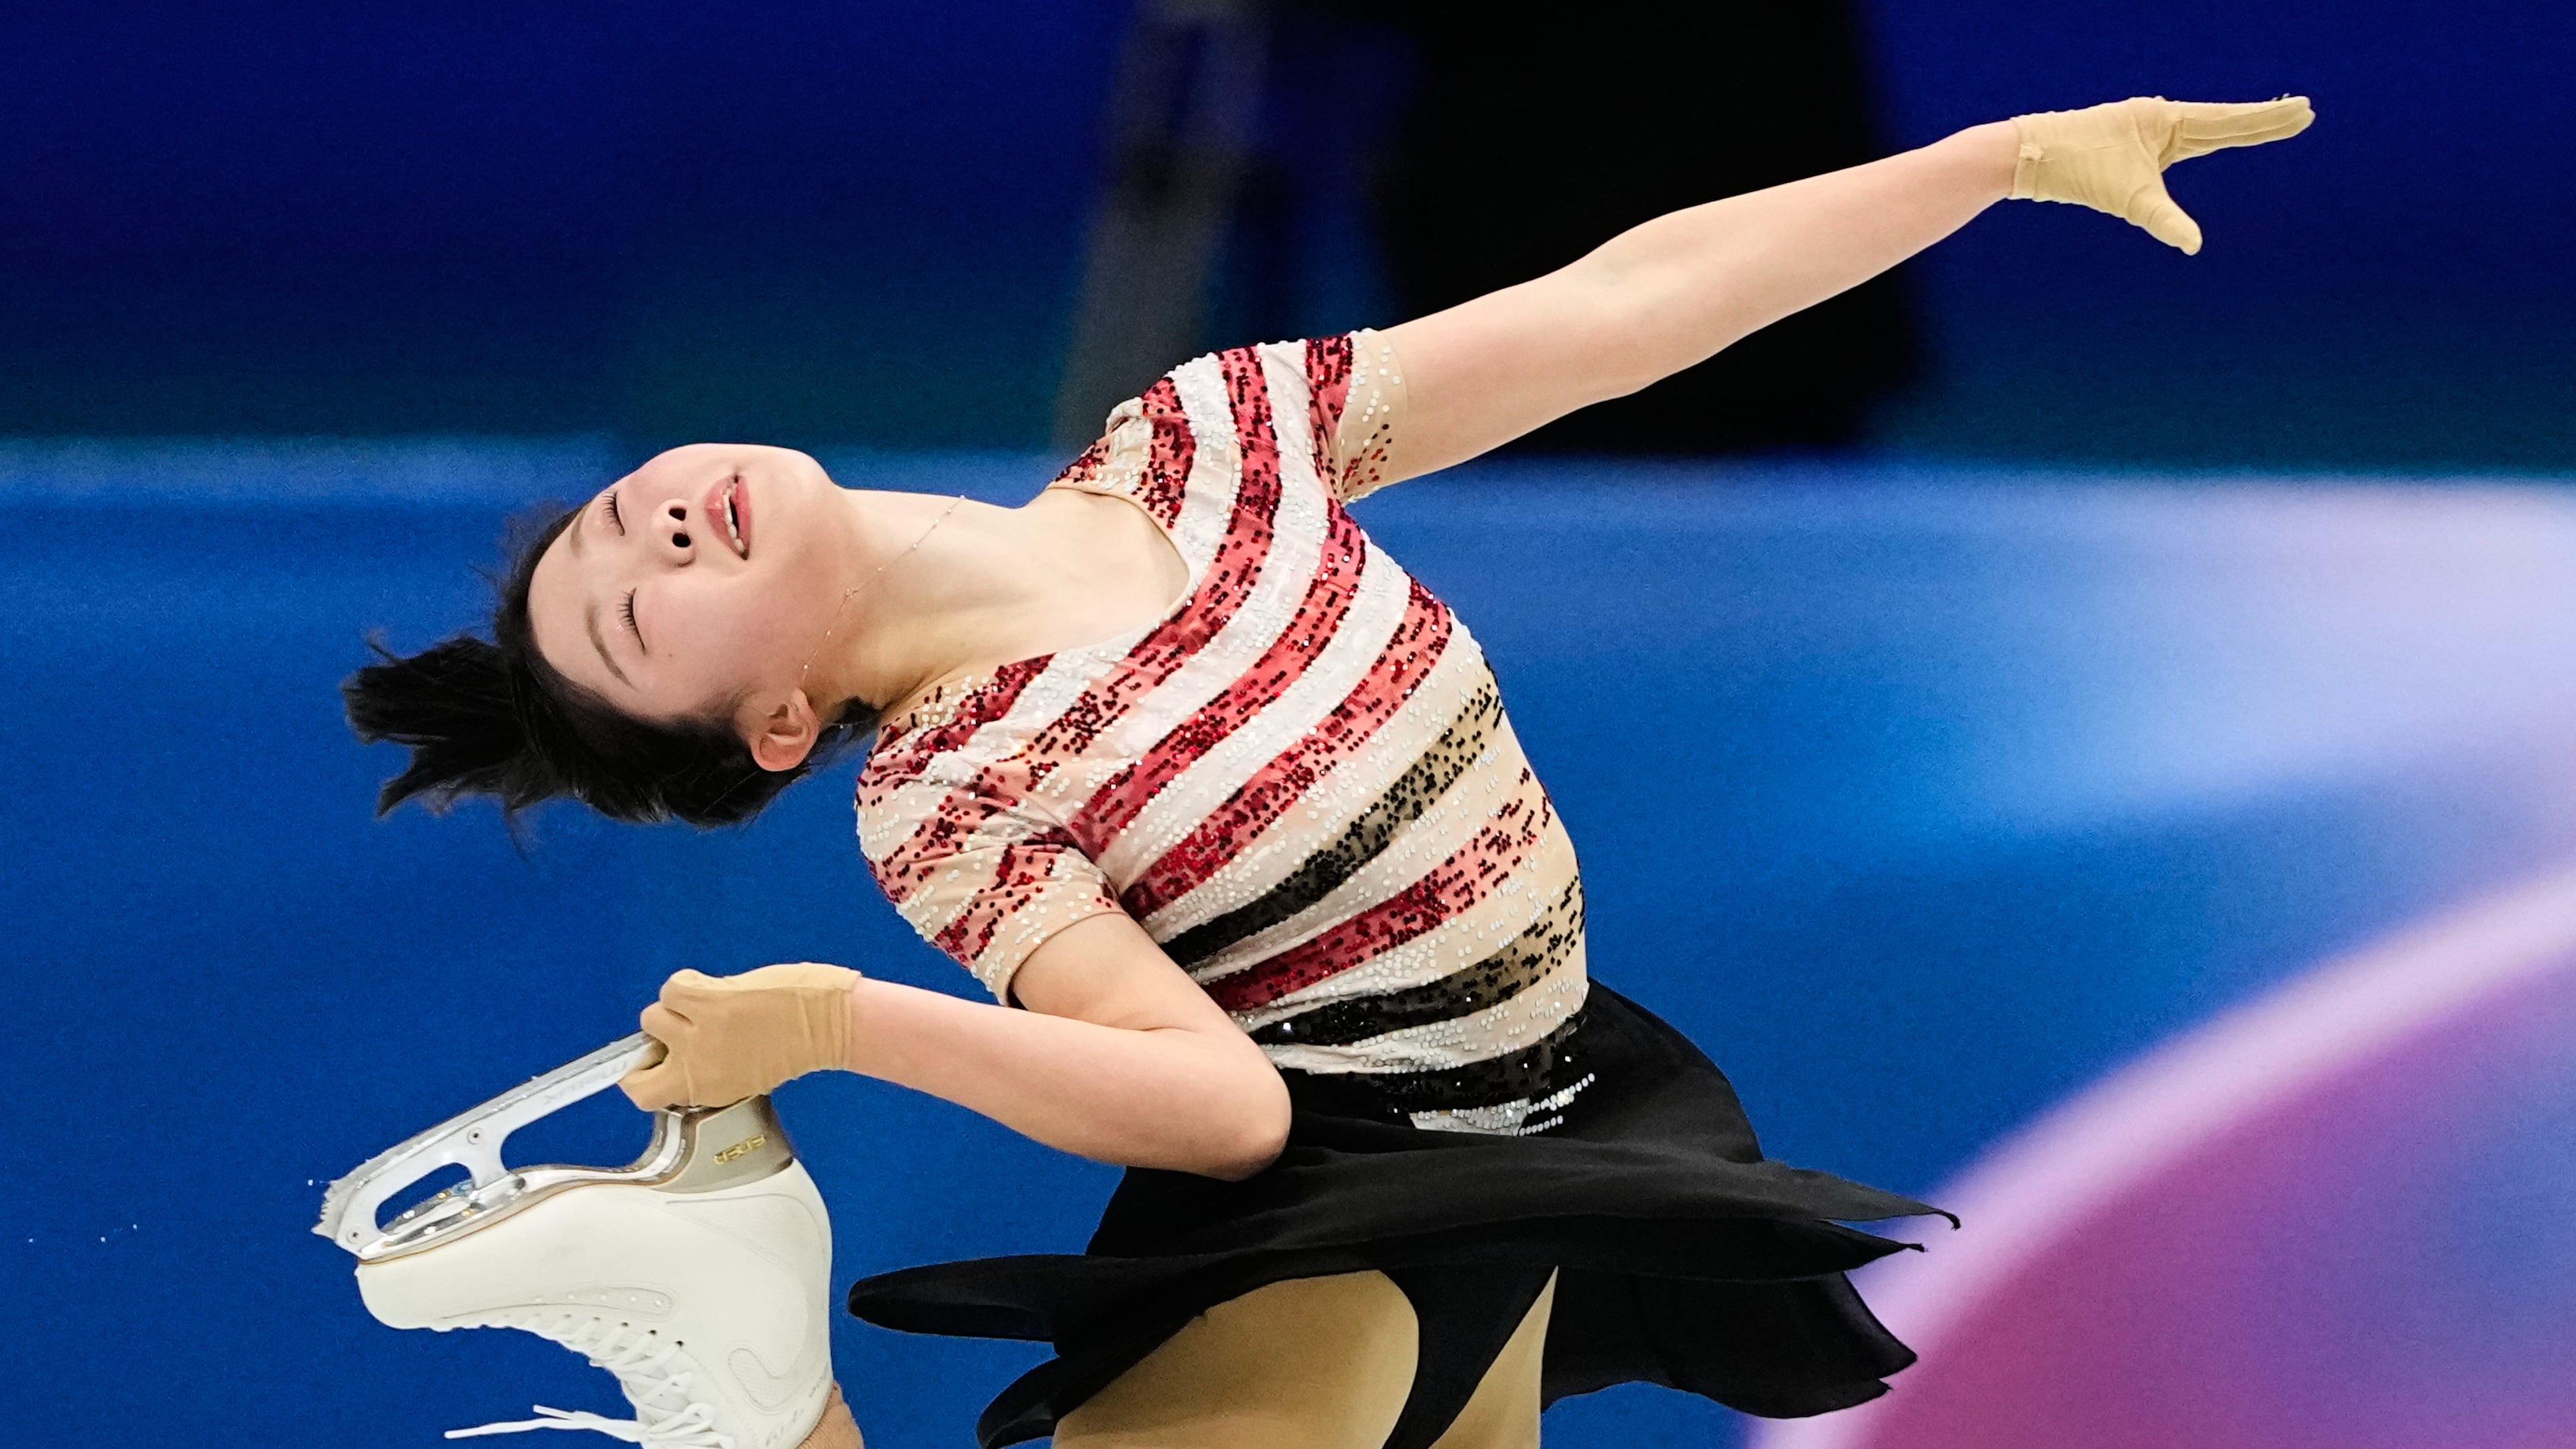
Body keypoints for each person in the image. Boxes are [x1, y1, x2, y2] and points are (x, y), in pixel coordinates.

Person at [345, 96, 2312, 1449]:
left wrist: (1986, 163)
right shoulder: (945, 790)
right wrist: (845, 1026)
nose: (649, 541)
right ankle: (732, 1356)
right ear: (774, 732)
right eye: (628, 613)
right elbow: (1210, 1109)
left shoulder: (1212, 435)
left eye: (626, 517)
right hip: (1354, 1208)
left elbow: (1617, 312)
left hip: (1537, 1141)